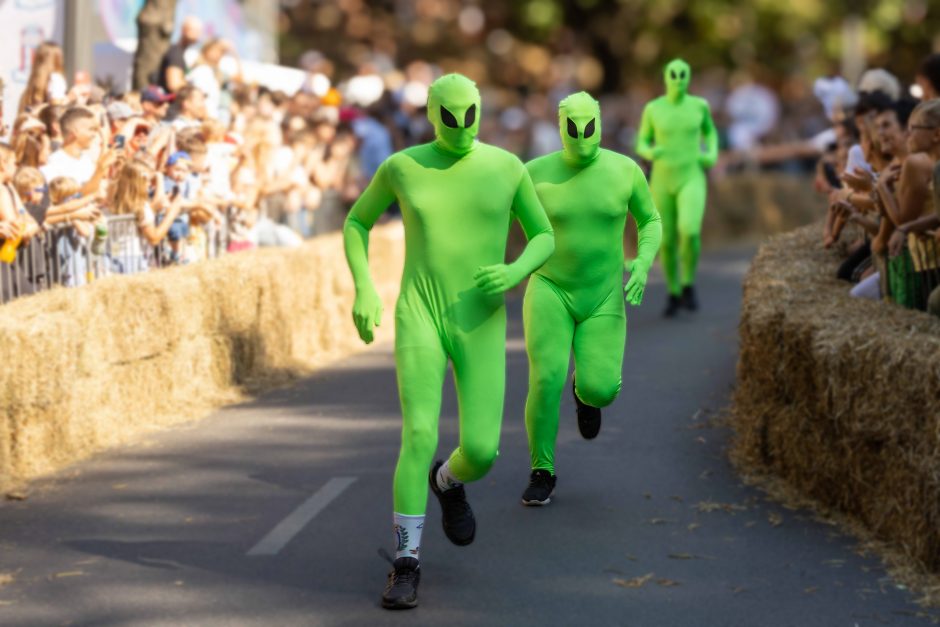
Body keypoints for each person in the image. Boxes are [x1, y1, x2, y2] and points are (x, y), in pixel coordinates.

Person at [343, 73, 554, 610]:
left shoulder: (507, 167)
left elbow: (544, 235)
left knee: (482, 451)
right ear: (432, 113)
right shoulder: (403, 166)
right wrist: (364, 288)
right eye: (450, 115)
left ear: (480, 110)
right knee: (417, 432)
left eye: (470, 114)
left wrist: (515, 272)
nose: (461, 126)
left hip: (480, 319)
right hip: (420, 314)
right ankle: (406, 562)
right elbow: (356, 222)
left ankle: (449, 480)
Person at [521, 92, 661, 505]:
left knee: (603, 390)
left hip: (603, 295)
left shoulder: (624, 169)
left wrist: (642, 261)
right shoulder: (533, 172)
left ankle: (585, 390)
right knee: (545, 378)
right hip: (549, 286)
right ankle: (541, 469)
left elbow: (650, 218)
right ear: (559, 125)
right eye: (572, 127)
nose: (581, 135)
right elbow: (495, 218)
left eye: (588, 126)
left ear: (599, 123)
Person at [636, 58, 718, 317]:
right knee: (667, 239)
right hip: (662, 179)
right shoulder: (653, 108)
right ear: (665, 76)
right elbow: (641, 141)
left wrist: (711, 153)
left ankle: (688, 283)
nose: (678, 78)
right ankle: (673, 290)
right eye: (674, 74)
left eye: (683, 74)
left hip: (691, 175)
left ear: (689, 76)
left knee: (690, 230)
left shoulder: (699, 106)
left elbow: (711, 132)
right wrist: (650, 150)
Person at [41, 107, 116, 197]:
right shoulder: (54, 163)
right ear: (75, 132)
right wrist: (100, 170)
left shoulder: (85, 158)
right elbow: (75, 198)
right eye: (91, 129)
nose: (94, 134)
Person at [17, 41, 67, 114]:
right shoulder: (56, 78)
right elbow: (57, 105)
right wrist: (70, 98)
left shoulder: (31, 86)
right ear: (58, 59)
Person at [158, 16, 202, 94]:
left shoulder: (181, 52)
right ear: (184, 30)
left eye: (199, 31)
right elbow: (174, 84)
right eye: (194, 30)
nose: (198, 35)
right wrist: (195, 89)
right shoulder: (176, 52)